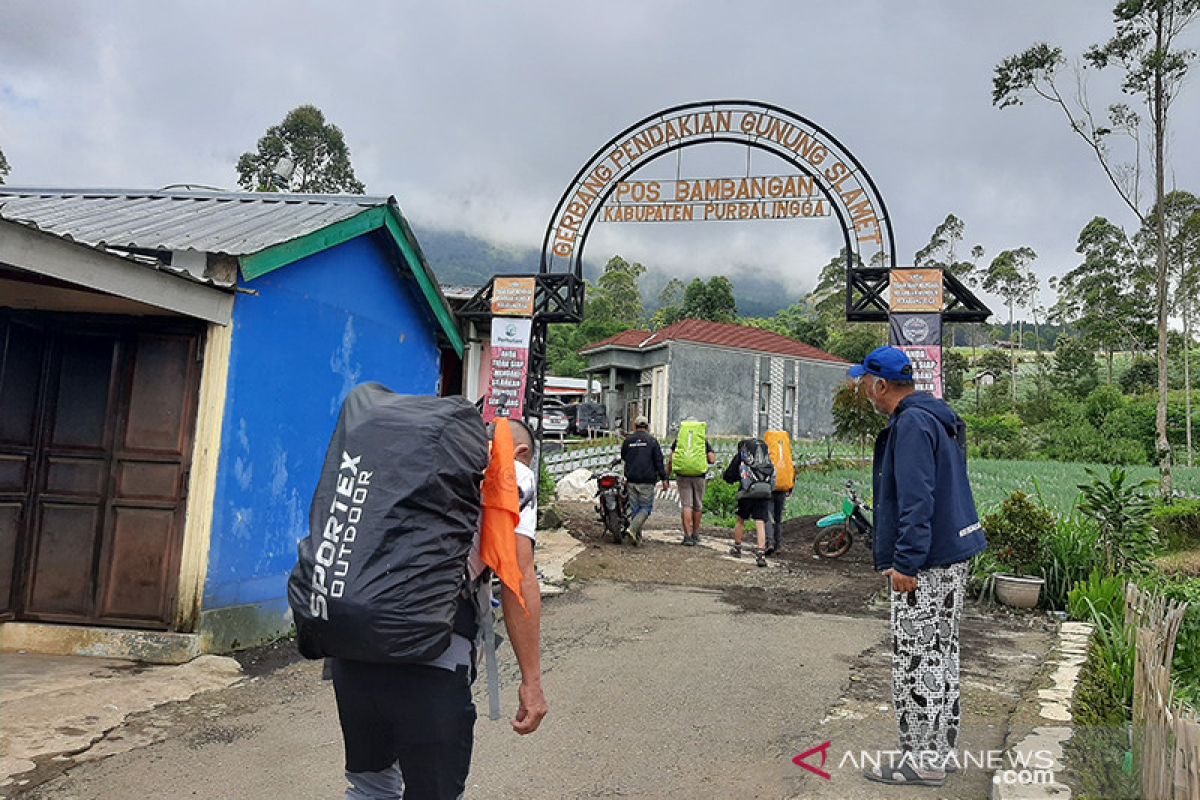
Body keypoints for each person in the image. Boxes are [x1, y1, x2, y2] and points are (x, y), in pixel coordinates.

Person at [332, 419, 548, 800]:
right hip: (432, 656)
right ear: (522, 453)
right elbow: (519, 580)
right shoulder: (513, 474)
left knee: (370, 788)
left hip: (353, 647)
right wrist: (532, 682)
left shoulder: (401, 459)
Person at [849, 346, 987, 788]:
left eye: (866, 382)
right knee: (942, 655)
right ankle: (940, 753)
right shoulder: (935, 418)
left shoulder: (910, 425)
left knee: (917, 659)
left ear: (882, 385)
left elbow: (916, 500)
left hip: (925, 563)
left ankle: (921, 762)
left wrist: (905, 562)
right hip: (951, 555)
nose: (864, 390)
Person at [721, 437, 774, 568]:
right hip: (764, 491)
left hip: (747, 492)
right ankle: (761, 553)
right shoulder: (765, 457)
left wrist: (730, 479)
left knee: (741, 520)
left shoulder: (743, 455)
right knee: (760, 522)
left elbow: (730, 474)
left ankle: (737, 547)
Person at [666, 418, 716, 546]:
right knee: (698, 505)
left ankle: (687, 536)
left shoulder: (679, 440)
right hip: (699, 475)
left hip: (682, 475)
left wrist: (667, 475)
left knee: (686, 505)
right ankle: (695, 533)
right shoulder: (702, 440)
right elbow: (712, 459)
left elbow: (671, 458)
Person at [620, 415, 669, 544]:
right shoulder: (652, 441)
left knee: (636, 509)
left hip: (631, 479)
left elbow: (623, 457)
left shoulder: (628, 440)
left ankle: (637, 537)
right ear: (647, 427)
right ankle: (632, 529)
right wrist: (664, 478)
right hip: (647, 481)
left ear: (635, 426)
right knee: (646, 508)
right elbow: (659, 461)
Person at [764, 430, 795, 556]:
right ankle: (779, 545)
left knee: (767, 515)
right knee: (778, 518)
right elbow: (792, 469)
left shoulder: (767, 449)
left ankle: (769, 542)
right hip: (783, 487)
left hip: (770, 487)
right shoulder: (786, 449)